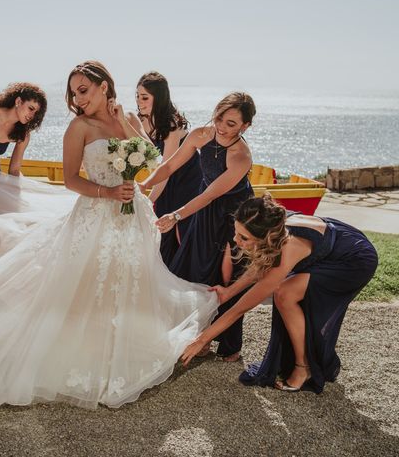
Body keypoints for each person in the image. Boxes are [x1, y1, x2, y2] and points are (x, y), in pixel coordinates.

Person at [0, 60, 218, 415]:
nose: (78, 99)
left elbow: (152, 160)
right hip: (98, 210)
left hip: (131, 213)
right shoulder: (78, 127)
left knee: (126, 278)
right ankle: (86, 350)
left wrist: (126, 123)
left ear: (104, 87)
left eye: (84, 91)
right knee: (83, 280)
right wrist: (108, 194)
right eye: (74, 93)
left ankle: (122, 342)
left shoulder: (126, 119)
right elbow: (72, 181)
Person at [180, 195, 378, 393]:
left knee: (284, 293)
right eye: (236, 232)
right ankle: (300, 359)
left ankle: (303, 368)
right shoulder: (270, 225)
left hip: (353, 260)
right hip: (335, 244)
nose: (235, 240)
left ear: (265, 238)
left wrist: (202, 340)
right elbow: (261, 266)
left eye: (244, 238)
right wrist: (228, 292)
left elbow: (241, 308)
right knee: (284, 290)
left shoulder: (288, 245)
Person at [140, 92, 256, 362]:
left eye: (231, 124)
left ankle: (230, 345)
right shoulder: (201, 135)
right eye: (219, 118)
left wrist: (176, 215)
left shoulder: (241, 156)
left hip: (233, 215)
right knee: (193, 268)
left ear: (245, 127)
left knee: (227, 276)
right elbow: (169, 166)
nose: (222, 127)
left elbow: (211, 195)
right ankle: (193, 333)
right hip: (204, 211)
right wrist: (144, 185)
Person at [136, 71, 202, 264]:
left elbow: (167, 167)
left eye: (145, 97)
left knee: (182, 227)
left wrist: (147, 200)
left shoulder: (171, 123)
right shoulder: (142, 119)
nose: (140, 101)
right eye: (138, 96)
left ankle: (185, 271)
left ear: (160, 97)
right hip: (163, 178)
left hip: (185, 180)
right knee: (160, 228)